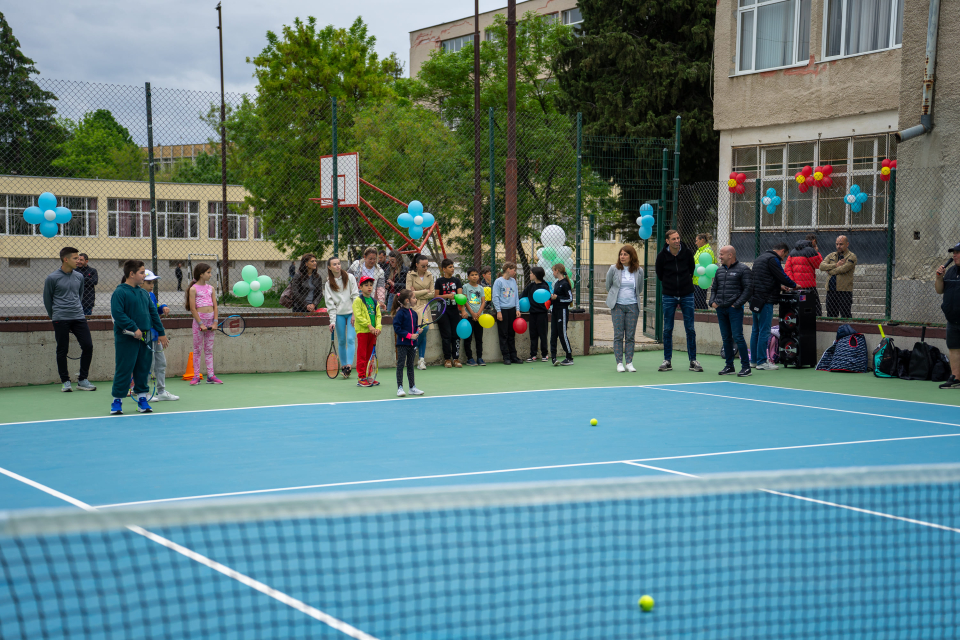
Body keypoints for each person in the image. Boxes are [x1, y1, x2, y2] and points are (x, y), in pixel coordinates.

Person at [110, 261, 167, 415]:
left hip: (146, 337)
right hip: (126, 338)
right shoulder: (120, 292)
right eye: (142, 273)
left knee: (143, 367)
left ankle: (142, 399)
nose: (144, 275)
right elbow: (118, 314)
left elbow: (153, 313)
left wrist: (161, 333)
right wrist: (134, 328)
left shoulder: (144, 293)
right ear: (131, 274)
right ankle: (117, 401)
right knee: (124, 368)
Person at [44, 246, 95, 392]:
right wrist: (55, 317)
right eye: (75, 258)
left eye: (79, 258)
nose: (78, 260)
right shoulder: (52, 278)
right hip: (60, 318)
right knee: (62, 349)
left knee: (88, 346)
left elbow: (79, 295)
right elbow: (48, 300)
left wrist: (75, 310)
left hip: (78, 317)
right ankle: (65, 381)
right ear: (65, 259)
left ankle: (83, 380)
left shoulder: (79, 277)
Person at [655, 230, 701, 373]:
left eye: (678, 238)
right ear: (667, 241)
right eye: (673, 239)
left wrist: (683, 284)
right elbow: (660, 274)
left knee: (690, 328)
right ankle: (667, 360)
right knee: (668, 328)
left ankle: (693, 361)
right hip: (669, 295)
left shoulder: (687, 254)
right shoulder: (661, 257)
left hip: (687, 294)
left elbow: (691, 270)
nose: (677, 241)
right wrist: (671, 286)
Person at [749, 243, 796, 371]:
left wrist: (779, 286)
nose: (784, 259)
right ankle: (762, 362)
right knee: (764, 331)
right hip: (766, 300)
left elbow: (764, 278)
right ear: (782, 251)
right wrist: (794, 285)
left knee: (756, 330)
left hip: (755, 299)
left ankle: (753, 361)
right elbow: (781, 275)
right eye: (784, 256)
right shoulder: (773, 259)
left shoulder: (760, 258)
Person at [711, 246, 753, 377]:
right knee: (726, 338)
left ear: (730, 255)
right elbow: (714, 288)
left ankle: (746, 367)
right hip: (721, 309)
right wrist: (712, 302)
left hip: (734, 310)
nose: (720, 257)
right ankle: (729, 366)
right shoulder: (719, 271)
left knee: (738, 337)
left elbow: (748, 289)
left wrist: (737, 304)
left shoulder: (743, 269)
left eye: (722, 254)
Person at [140, 270, 178, 401]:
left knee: (161, 363)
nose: (152, 285)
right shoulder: (138, 296)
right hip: (146, 335)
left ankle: (161, 391)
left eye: (153, 283)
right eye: (149, 282)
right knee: (147, 365)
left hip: (155, 335)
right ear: (141, 282)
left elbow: (155, 310)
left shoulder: (151, 295)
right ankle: (144, 393)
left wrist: (163, 307)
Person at [605, 245, 644, 372]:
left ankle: (629, 362)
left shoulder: (639, 270)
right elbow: (608, 285)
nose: (622, 256)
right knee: (618, 335)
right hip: (617, 306)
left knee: (630, 336)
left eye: (625, 254)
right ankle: (619, 363)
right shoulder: (613, 269)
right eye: (621, 254)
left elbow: (640, 288)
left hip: (633, 305)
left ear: (631, 256)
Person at [186, 262, 223, 385]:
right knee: (197, 349)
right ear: (201, 274)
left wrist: (215, 322)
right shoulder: (193, 289)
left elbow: (215, 306)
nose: (210, 275)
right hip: (199, 323)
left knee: (209, 349)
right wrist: (201, 324)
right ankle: (196, 376)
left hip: (211, 321)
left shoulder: (211, 288)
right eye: (208, 272)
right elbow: (192, 308)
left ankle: (210, 376)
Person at [324, 256, 359, 378]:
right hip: (338, 315)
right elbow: (330, 305)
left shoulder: (349, 278)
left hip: (351, 314)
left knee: (350, 339)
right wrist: (332, 321)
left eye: (339, 263)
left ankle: (349, 366)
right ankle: (343, 366)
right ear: (329, 267)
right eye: (334, 264)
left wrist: (355, 314)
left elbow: (355, 296)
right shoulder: (328, 284)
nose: (337, 266)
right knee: (342, 341)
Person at [935, 243, 960, 389]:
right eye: (954, 253)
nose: (954, 255)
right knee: (954, 348)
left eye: (957, 253)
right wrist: (939, 278)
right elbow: (940, 291)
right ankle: (956, 378)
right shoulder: (950, 272)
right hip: (952, 319)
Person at [393, 289, 425, 397]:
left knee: (410, 365)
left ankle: (412, 387)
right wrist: (409, 336)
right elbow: (397, 329)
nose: (416, 299)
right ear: (407, 300)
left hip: (412, 344)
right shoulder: (400, 313)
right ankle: (400, 388)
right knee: (401, 365)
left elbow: (414, 326)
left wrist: (418, 331)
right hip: (402, 344)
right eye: (414, 297)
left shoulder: (414, 313)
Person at [406, 254, 435, 370]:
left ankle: (420, 358)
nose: (425, 268)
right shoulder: (410, 274)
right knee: (420, 329)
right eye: (423, 266)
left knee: (425, 329)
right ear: (417, 265)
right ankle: (416, 354)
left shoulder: (430, 275)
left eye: (427, 266)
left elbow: (432, 293)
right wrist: (424, 291)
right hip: (413, 305)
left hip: (425, 306)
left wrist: (416, 291)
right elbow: (409, 292)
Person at [353, 275, 382, 387]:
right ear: (360, 287)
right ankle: (361, 377)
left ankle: (368, 376)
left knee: (371, 356)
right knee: (362, 355)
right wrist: (369, 326)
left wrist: (378, 328)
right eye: (366, 285)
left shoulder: (375, 302)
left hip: (372, 333)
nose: (369, 287)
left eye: (370, 285)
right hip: (363, 332)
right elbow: (358, 316)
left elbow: (378, 316)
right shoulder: (358, 301)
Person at [434, 258, 464, 368]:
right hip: (443, 311)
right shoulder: (439, 281)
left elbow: (460, 297)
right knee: (446, 335)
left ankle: (456, 358)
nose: (452, 269)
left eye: (453, 267)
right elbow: (436, 297)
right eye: (450, 267)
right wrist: (446, 296)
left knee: (456, 335)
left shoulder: (457, 281)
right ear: (444, 269)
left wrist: (461, 305)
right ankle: (447, 359)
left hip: (454, 311)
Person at [819, 235, 857, 318]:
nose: (838, 246)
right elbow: (821, 266)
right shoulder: (832, 255)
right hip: (831, 291)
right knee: (831, 315)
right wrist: (836, 265)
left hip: (844, 291)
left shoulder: (851, 256)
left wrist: (830, 271)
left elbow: (843, 269)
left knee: (845, 315)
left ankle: (847, 330)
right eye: (837, 244)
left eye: (841, 244)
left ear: (847, 244)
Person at [492, 261, 522, 365]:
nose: (515, 272)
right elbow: (495, 297)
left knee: (511, 334)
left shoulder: (513, 281)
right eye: (514, 270)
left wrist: (517, 309)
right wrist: (498, 311)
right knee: (503, 334)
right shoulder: (498, 281)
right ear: (508, 269)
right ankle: (506, 356)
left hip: (512, 310)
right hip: (503, 310)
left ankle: (514, 356)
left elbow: (516, 296)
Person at [785, 234, 823, 316]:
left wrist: (793, 282)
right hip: (809, 286)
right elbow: (819, 265)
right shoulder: (810, 251)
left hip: (796, 287)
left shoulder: (792, 252)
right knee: (815, 309)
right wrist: (817, 253)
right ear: (813, 242)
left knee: (798, 308)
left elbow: (787, 269)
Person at [521, 266, 550, 362]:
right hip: (532, 314)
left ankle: (544, 354)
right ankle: (533, 355)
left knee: (543, 334)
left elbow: (549, 301)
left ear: (536, 275)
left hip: (542, 314)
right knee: (533, 335)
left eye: (531, 273)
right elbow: (522, 296)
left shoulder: (545, 287)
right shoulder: (530, 286)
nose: (529, 275)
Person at [461, 267, 487, 366]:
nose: (474, 276)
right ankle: (469, 358)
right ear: (468, 277)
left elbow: (483, 301)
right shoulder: (465, 287)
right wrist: (472, 313)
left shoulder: (481, 288)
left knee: (479, 338)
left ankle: (480, 358)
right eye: (472, 275)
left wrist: (479, 313)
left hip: (480, 317)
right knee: (468, 338)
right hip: (469, 316)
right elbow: (465, 301)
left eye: (476, 274)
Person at [550, 263, 574, 366]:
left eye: (553, 270)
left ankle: (569, 357)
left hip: (562, 312)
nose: (552, 273)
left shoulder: (565, 284)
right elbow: (555, 297)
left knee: (562, 334)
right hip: (555, 311)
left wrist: (557, 298)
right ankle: (554, 357)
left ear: (557, 271)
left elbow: (570, 299)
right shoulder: (556, 283)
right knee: (553, 334)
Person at [692, 234, 716, 310]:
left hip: (702, 280)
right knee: (695, 302)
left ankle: (704, 315)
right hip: (695, 280)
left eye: (697, 241)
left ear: (702, 240)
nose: (695, 243)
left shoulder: (707, 250)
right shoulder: (699, 251)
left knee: (700, 302)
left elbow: (707, 266)